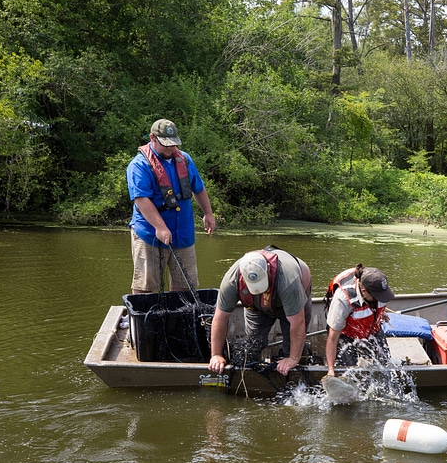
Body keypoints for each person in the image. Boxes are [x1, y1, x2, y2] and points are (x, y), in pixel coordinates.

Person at [126, 118, 216, 293]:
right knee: (146, 286)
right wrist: (160, 227)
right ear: (152, 138)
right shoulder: (138, 165)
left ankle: (180, 319)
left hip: (183, 232)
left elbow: (198, 188)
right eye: (165, 144)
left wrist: (208, 213)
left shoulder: (185, 160)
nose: (170, 148)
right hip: (150, 234)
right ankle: (144, 319)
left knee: (186, 285)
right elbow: (141, 199)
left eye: (173, 144)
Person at [207, 247, 312, 376]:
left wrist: (293, 358)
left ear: (268, 268)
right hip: (256, 306)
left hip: (291, 299)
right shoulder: (231, 281)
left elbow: (297, 322)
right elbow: (220, 318)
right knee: (253, 344)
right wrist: (216, 354)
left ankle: (298, 362)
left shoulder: (289, 281)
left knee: (292, 347)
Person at [323, 264, 396, 377]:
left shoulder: (376, 292)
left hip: (373, 329)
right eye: (378, 296)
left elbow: (375, 303)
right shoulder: (343, 299)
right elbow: (332, 338)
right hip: (346, 334)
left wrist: (381, 312)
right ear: (364, 291)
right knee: (349, 373)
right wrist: (331, 370)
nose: (381, 298)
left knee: (385, 366)